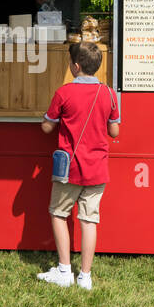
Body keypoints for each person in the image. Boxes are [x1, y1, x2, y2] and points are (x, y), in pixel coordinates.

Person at [38, 41, 119, 290]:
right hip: (97, 168)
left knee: (59, 214)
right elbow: (114, 131)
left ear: (75, 66)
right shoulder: (108, 93)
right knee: (89, 220)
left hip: (69, 169)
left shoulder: (64, 93)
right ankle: (85, 276)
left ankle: (64, 270)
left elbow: (47, 126)